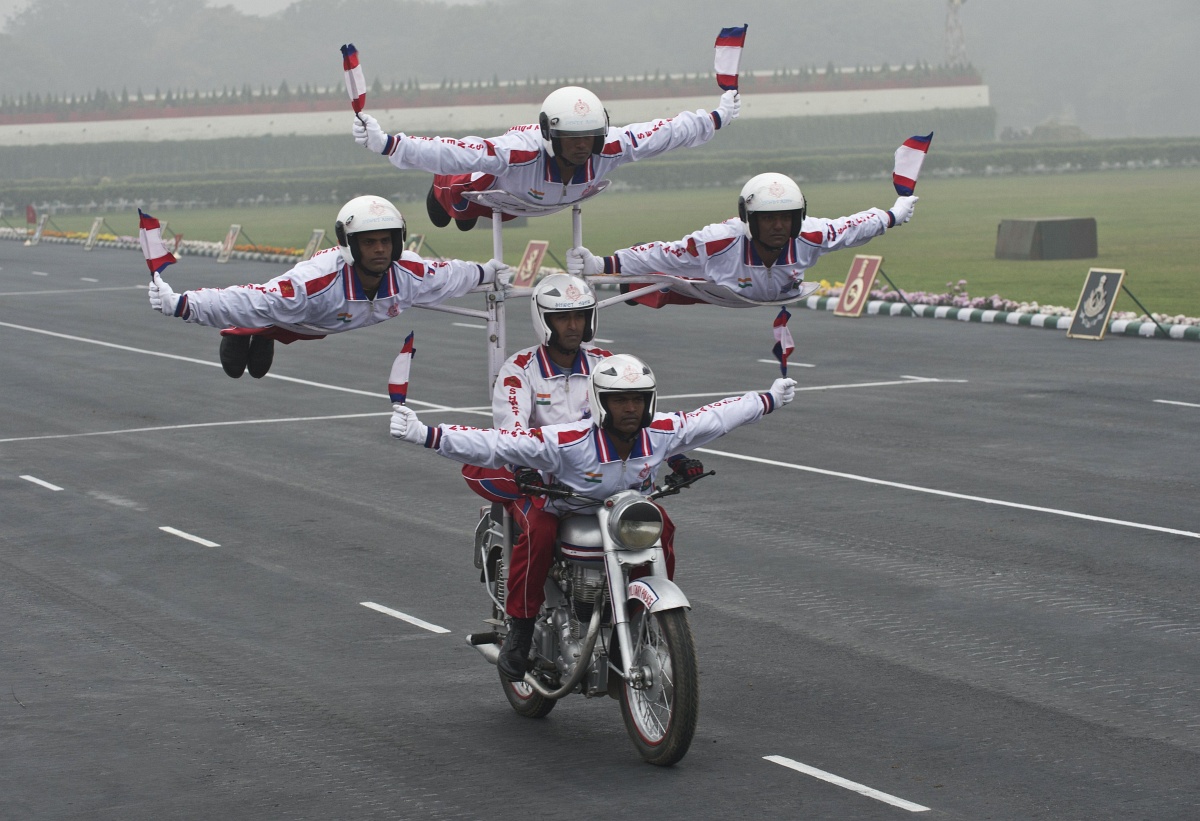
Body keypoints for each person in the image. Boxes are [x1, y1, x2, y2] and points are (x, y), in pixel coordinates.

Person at [390, 353, 797, 680]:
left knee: (661, 523)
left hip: (619, 513)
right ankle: (520, 629)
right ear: (600, 403)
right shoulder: (567, 441)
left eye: (637, 399)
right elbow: (494, 444)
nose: (630, 409)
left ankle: (649, 614)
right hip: (558, 504)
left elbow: (716, 415)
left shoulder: (661, 432)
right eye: (620, 400)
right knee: (537, 533)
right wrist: (425, 434)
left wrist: (770, 398)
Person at [147, 195, 511, 378]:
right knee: (247, 360)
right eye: (369, 242)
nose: (380, 249)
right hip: (299, 315)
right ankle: (243, 334)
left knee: (262, 352)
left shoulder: (411, 271)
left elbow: (451, 274)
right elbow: (249, 299)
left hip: (329, 323)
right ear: (350, 245)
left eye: (387, 240)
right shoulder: (312, 283)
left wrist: (488, 272)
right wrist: (182, 304)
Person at [352, 85, 740, 231]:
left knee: (486, 219)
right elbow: (451, 151)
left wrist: (716, 117)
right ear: (550, 133)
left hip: (531, 202)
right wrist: (388, 144)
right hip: (497, 185)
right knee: (453, 211)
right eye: (571, 138)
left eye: (589, 136)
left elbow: (666, 132)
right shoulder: (517, 153)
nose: (581, 145)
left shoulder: (613, 147)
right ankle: (439, 193)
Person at [566, 172, 919, 303]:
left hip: (783, 294)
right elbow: (663, 253)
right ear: (749, 219)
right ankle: (637, 293)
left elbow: (853, 227)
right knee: (668, 279)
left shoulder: (812, 234)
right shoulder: (717, 240)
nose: (779, 226)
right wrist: (601, 264)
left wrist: (892, 215)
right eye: (769, 219)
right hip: (718, 290)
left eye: (787, 218)